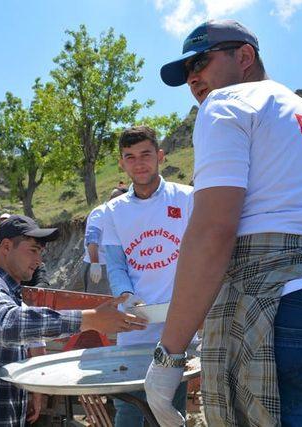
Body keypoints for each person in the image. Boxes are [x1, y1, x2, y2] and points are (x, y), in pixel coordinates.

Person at [145, 19, 302, 427]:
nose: (193, 78)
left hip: (283, 317)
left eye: (201, 62)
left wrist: (169, 356)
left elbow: (213, 232)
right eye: (187, 72)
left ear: (244, 56)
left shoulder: (227, 104)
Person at [0, 214, 147, 427]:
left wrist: (30, 389)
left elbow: (23, 334)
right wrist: (88, 319)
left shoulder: (10, 293)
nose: (38, 261)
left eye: (40, 253)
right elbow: (8, 325)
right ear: (6, 247)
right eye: (33, 250)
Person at [101, 125, 194, 427]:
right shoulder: (112, 211)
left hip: (177, 328)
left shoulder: (187, 199)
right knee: (128, 409)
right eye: (130, 157)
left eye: (146, 154)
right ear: (121, 162)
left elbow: (200, 255)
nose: (139, 163)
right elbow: (115, 265)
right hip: (133, 326)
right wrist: (127, 297)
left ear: (160, 156)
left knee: (169, 409)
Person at [82, 189, 125, 294]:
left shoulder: (119, 215)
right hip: (99, 266)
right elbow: (92, 238)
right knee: (98, 302)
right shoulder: (101, 212)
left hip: (113, 265)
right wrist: (95, 263)